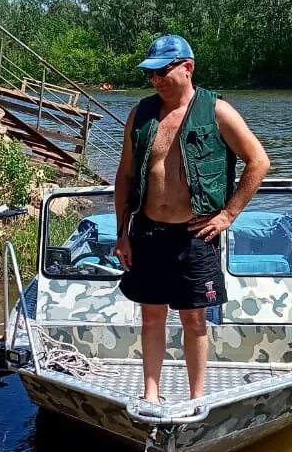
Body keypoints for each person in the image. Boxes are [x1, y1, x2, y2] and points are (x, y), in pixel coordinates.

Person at [112, 35, 271, 403]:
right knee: (151, 316)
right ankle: (151, 394)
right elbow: (124, 176)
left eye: (163, 71)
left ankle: (197, 397)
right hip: (147, 232)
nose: (156, 80)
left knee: (194, 320)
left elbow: (258, 161)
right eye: (150, 74)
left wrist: (229, 214)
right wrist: (123, 233)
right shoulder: (141, 114)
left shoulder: (217, 111)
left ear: (188, 67)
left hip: (195, 236)